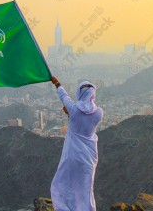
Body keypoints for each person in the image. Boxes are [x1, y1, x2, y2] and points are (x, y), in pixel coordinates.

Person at [50, 76, 104, 211]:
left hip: (72, 154)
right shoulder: (99, 113)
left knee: (63, 183)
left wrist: (57, 83)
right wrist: (71, 114)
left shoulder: (73, 109)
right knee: (85, 187)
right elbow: (84, 122)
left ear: (79, 93)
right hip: (89, 156)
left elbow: (64, 96)